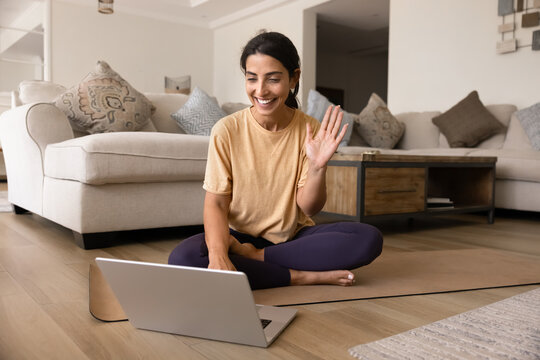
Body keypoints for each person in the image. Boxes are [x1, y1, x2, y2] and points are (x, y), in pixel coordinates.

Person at [168, 31, 382, 290]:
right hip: (236, 237)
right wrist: (218, 256)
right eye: (252, 79)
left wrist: (317, 167)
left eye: (273, 79)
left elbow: (309, 208)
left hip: (292, 239)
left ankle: (258, 259)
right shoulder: (226, 130)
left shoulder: (309, 130)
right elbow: (215, 203)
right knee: (183, 258)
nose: (260, 90)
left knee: (368, 239)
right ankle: (303, 276)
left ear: (294, 78)